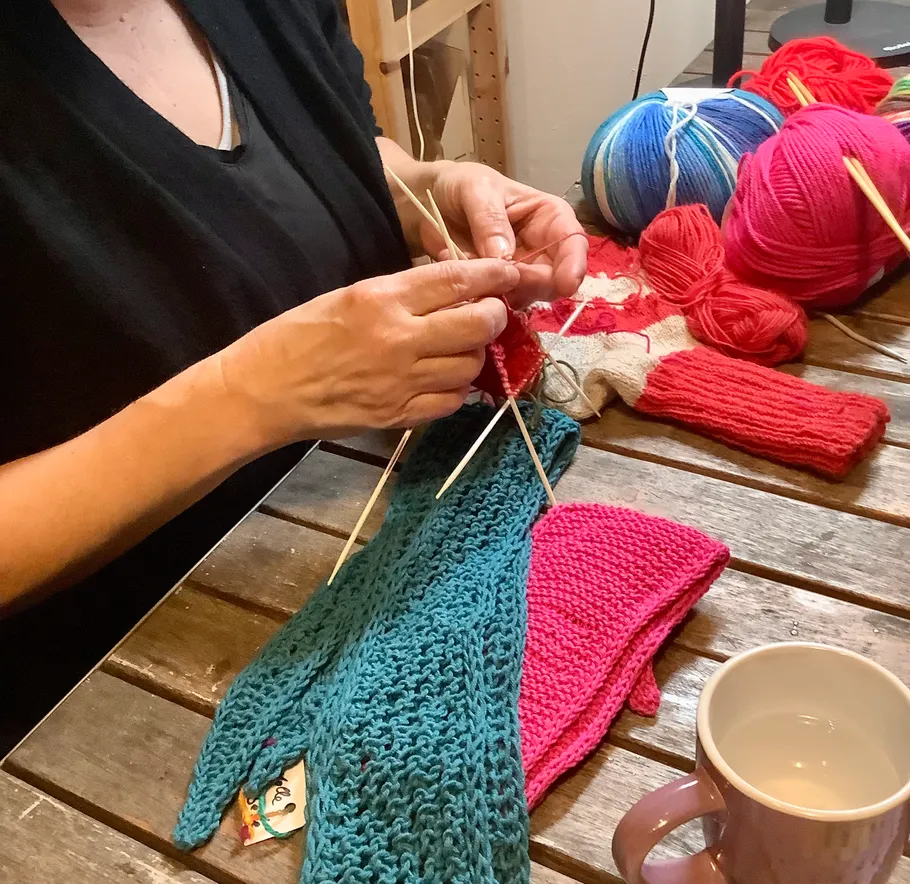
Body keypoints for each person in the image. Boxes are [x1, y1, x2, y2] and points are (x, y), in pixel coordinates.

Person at [0, 0, 587, 752]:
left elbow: (337, 145)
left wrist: (433, 190)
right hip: (127, 709)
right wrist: (253, 397)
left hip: (387, 543)